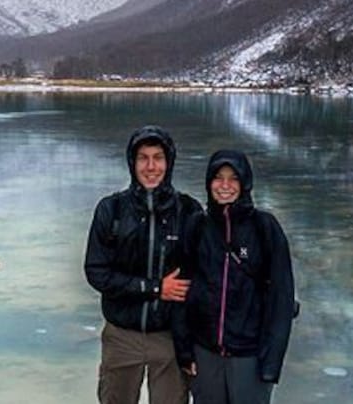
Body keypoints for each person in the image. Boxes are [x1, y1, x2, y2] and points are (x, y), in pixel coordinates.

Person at [84, 125, 204, 404]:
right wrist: (154, 288)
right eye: (143, 158)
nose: (151, 167)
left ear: (169, 162)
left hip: (170, 338)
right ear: (132, 162)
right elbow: (96, 272)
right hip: (121, 335)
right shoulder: (111, 210)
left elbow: (207, 273)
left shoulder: (188, 211)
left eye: (158, 157)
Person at [177, 150, 296, 404]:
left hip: (250, 357)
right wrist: (184, 350)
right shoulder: (197, 226)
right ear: (209, 182)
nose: (225, 186)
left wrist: (271, 364)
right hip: (205, 353)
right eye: (218, 177)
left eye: (233, 178)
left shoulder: (264, 227)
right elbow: (182, 292)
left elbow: (281, 298)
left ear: (245, 183)